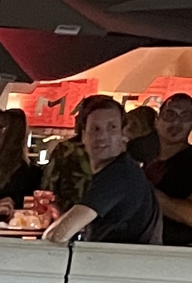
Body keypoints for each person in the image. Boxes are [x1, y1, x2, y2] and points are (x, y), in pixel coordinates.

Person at [44, 94, 160, 246]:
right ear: (84, 136)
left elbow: (57, 235)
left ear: (123, 134)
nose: (102, 136)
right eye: (95, 129)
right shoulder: (119, 170)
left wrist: (47, 236)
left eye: (112, 127)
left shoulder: (118, 174)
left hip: (123, 266)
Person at [145, 94, 192, 245]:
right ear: (157, 121)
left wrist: (145, 192)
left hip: (173, 250)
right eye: (170, 115)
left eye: (184, 116)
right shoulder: (139, 154)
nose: (176, 122)